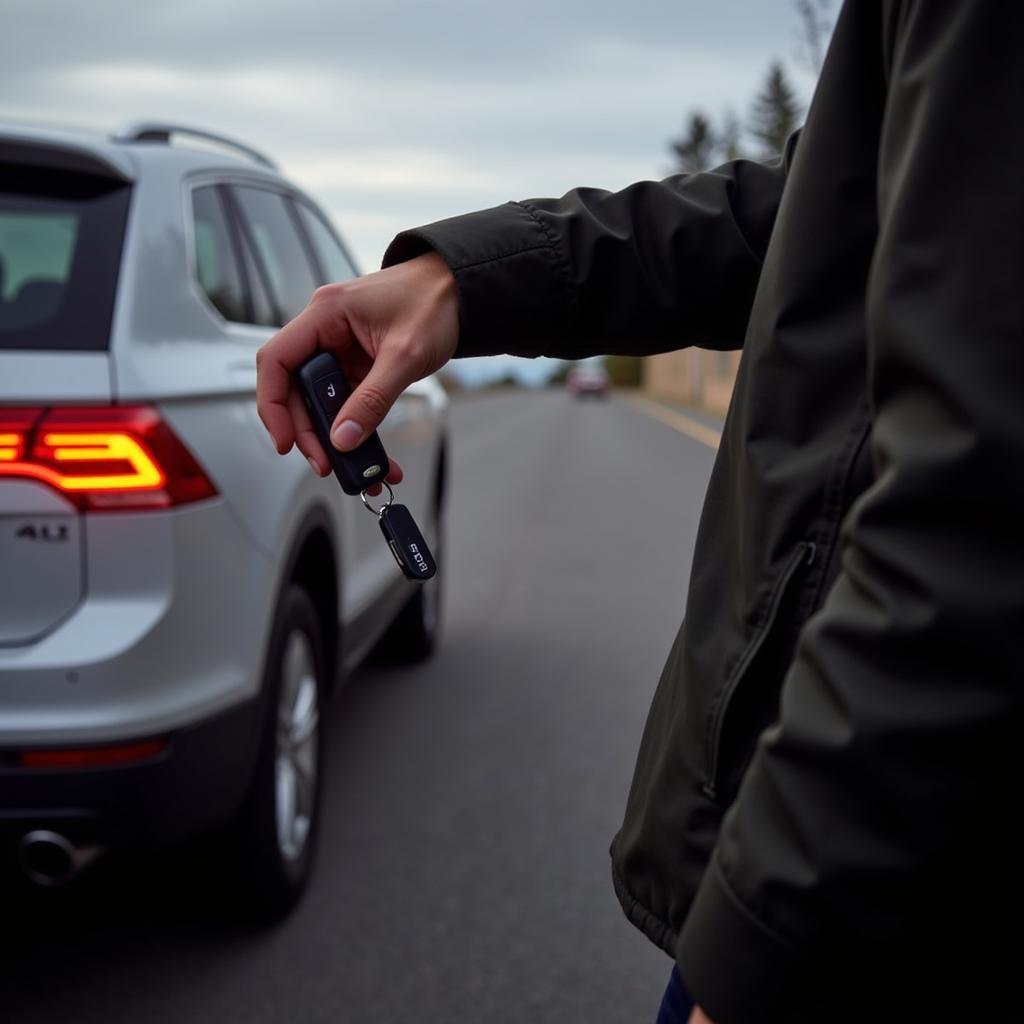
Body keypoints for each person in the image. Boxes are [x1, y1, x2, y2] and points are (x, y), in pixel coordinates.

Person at [257, 2, 1023, 1020]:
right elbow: (811, 212)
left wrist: (771, 945)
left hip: (869, 923)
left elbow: (972, 508)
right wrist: (464, 282)